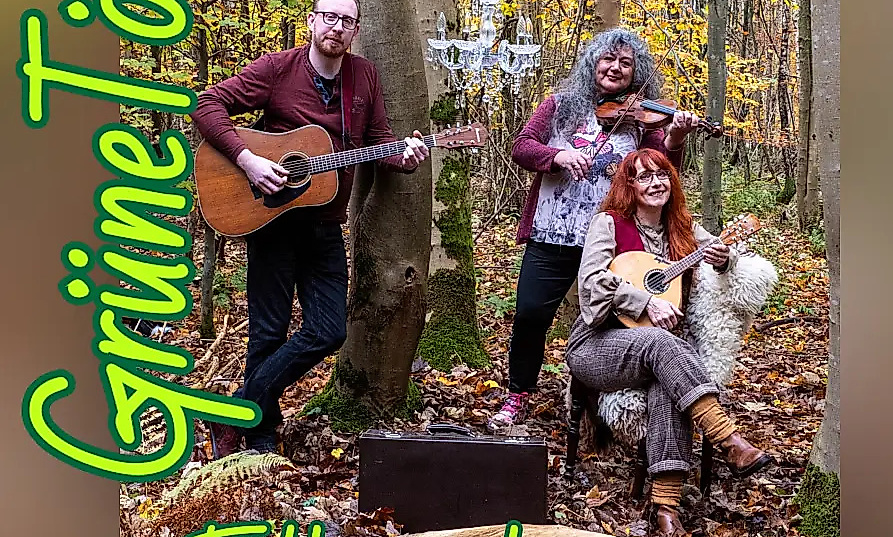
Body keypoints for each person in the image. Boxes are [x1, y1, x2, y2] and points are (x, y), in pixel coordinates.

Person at [189, 0, 429, 457]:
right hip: (271, 220)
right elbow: (206, 104)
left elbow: (379, 143)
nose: (337, 28)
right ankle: (258, 435)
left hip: (324, 225)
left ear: (356, 30)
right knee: (268, 331)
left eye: (347, 21)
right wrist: (249, 160)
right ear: (313, 21)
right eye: (329, 17)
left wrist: (406, 157)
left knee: (328, 331)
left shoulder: (364, 78)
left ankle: (236, 410)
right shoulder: (279, 69)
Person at [488, 28, 701, 431]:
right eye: (608, 59)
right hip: (553, 232)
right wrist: (559, 155)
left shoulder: (642, 119)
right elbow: (522, 146)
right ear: (593, 62)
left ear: (636, 73)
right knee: (532, 313)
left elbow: (662, 164)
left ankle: (594, 402)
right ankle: (517, 395)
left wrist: (675, 134)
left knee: (610, 318)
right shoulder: (560, 104)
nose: (615, 68)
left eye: (626, 63)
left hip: (611, 240)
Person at [566, 148, 774, 535]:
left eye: (661, 174)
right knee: (661, 342)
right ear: (629, 185)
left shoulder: (684, 229)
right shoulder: (609, 224)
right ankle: (729, 439)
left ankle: (666, 510)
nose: (655, 183)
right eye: (644, 176)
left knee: (667, 378)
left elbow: (725, 255)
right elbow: (592, 281)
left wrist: (724, 259)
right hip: (597, 343)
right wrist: (644, 301)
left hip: (654, 351)